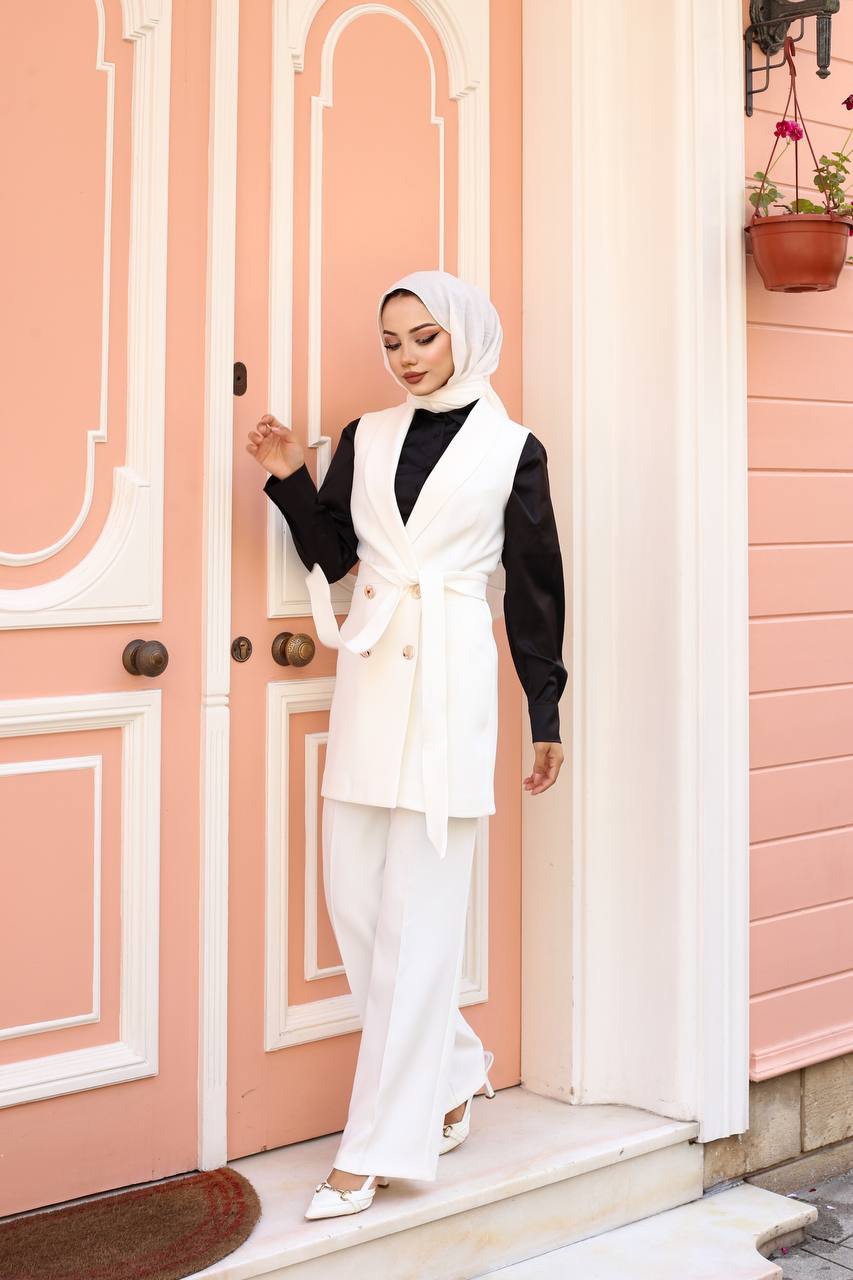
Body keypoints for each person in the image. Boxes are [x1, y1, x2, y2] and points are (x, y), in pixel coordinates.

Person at [246, 269, 567, 1221]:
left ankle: (375, 1149)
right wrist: (288, 478)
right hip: (373, 680)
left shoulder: (513, 449)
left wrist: (544, 712)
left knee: (420, 922)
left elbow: (536, 586)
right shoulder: (367, 435)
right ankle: (458, 1068)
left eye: (424, 337)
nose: (406, 357)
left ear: (465, 334)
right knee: (354, 898)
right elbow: (338, 555)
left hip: (454, 688)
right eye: (391, 342)